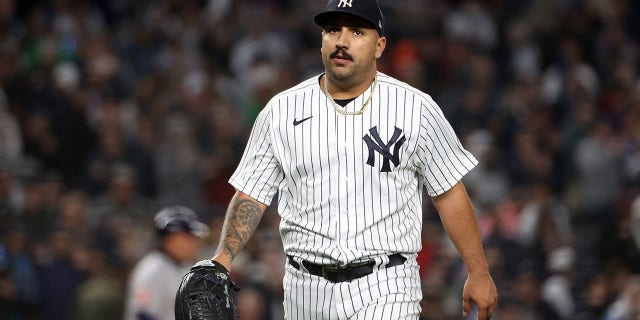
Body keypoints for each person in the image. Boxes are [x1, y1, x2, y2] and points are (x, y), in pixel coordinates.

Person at [179, 0, 498, 319]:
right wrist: (222, 258)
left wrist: (478, 272)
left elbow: (449, 193)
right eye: (333, 30)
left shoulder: (416, 109)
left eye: (357, 31)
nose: (342, 41)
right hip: (305, 288)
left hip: (386, 283)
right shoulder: (281, 111)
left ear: (379, 45)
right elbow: (252, 194)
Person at [124, 206, 209, 320]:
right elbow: (142, 314)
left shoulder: (184, 267)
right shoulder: (152, 270)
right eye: (188, 237)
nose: (194, 242)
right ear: (169, 240)